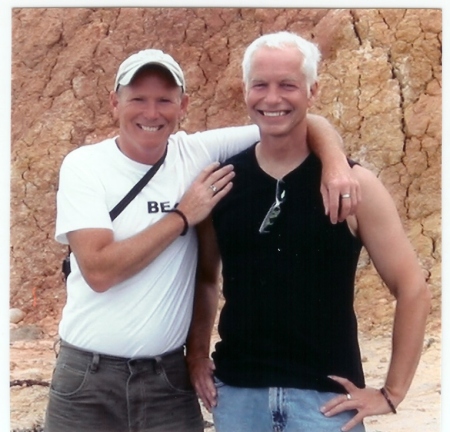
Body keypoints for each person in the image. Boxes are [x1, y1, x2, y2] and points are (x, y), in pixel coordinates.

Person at [44, 47, 360, 432]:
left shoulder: (196, 153)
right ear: (114, 103)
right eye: (138, 99)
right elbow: (98, 270)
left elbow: (299, 120)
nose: (151, 112)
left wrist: (335, 163)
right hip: (87, 378)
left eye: (164, 100)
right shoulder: (85, 165)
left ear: (184, 105)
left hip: (167, 379)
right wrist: (181, 216)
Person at [187, 31, 431, 432]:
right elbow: (206, 278)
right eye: (260, 85)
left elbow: (412, 288)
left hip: (325, 404)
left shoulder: (353, 185)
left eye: (288, 85)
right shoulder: (224, 181)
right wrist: (196, 354)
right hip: (238, 399)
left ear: (312, 91)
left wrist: (392, 393)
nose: (272, 99)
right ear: (246, 89)